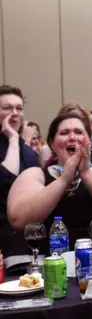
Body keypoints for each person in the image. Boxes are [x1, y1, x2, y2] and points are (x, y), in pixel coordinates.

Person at [7, 114, 92, 250]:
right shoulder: (35, 174)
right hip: (50, 263)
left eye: (79, 132)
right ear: (52, 143)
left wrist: (85, 173)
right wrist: (64, 179)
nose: (72, 137)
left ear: (89, 142)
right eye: (64, 133)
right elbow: (18, 220)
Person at [0, 85, 38, 258]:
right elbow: (7, 179)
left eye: (19, 108)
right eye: (7, 108)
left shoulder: (28, 152)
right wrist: (13, 138)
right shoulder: (15, 145)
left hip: (26, 237)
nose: (14, 113)